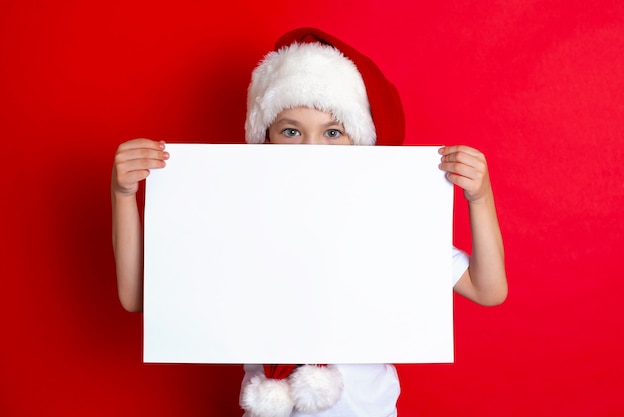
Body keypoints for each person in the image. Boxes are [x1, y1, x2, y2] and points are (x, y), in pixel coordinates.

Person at [111, 27, 507, 417]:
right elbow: (138, 297)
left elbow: (487, 290)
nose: (311, 149)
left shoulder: (384, 227)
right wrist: (124, 196)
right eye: (291, 131)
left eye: (333, 132)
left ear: (360, 143)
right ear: (264, 139)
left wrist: (479, 197)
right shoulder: (237, 223)